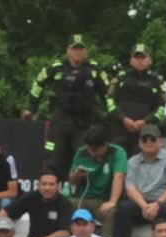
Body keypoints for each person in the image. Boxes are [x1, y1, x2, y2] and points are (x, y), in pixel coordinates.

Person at [24, 34, 111, 180]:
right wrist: (31, 108)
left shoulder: (94, 69)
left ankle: (78, 194)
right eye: (74, 49)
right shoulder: (56, 67)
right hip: (60, 119)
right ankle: (50, 191)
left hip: (84, 122)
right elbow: (38, 83)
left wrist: (112, 114)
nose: (78, 52)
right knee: (54, 157)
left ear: (86, 51)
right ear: (68, 51)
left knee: (82, 157)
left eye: (81, 49)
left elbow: (107, 94)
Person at [6, 171, 73, 237]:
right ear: (38, 185)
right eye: (44, 184)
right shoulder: (31, 197)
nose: (47, 188)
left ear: (58, 186)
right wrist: (7, 235)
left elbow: (65, 233)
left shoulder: (65, 203)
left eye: (51, 184)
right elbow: (4, 213)